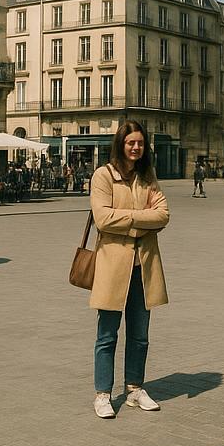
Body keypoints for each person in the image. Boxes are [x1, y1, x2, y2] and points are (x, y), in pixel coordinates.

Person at [89, 121, 169, 419]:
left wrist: (128, 219)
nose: (136, 148)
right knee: (107, 333)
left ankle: (135, 389)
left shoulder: (148, 177)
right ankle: (103, 393)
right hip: (112, 265)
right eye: (130, 143)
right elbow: (102, 219)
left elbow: (163, 214)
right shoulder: (103, 176)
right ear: (120, 144)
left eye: (140, 143)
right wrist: (141, 218)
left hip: (144, 265)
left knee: (140, 334)